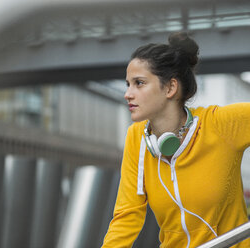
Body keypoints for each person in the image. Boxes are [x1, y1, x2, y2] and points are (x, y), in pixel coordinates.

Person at [102, 32, 250, 248]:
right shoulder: (137, 138)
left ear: (170, 88)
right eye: (128, 84)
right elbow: (127, 214)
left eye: (139, 83)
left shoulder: (220, 124)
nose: (128, 94)